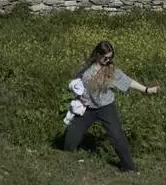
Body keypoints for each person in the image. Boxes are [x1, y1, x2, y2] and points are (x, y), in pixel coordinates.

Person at [62, 40, 159, 172]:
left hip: (106, 107)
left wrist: (147, 90)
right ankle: (66, 160)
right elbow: (77, 82)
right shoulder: (86, 66)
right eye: (105, 57)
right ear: (97, 54)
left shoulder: (111, 70)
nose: (108, 60)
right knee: (71, 137)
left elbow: (128, 82)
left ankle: (129, 168)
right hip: (87, 108)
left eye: (110, 58)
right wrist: (78, 94)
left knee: (117, 136)